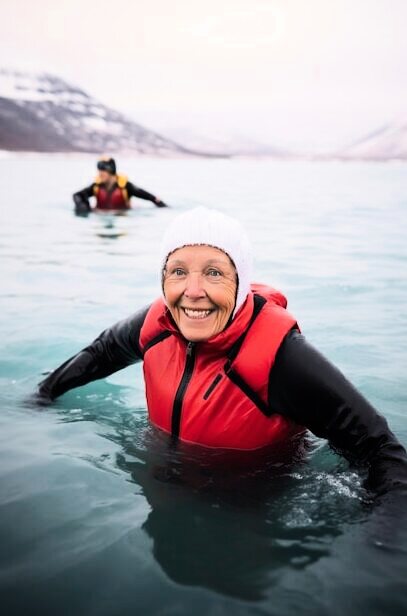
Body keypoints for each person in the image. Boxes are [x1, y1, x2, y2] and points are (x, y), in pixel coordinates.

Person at [36, 207, 407, 499]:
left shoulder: (279, 357)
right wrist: (41, 396)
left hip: (256, 504)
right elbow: (100, 353)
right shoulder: (156, 325)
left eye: (214, 273)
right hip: (165, 486)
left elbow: (378, 448)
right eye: (178, 271)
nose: (192, 291)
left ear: (241, 282)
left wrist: (382, 543)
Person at [73, 157, 168, 215]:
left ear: (111, 171)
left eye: (103, 171)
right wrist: (83, 206)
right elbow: (77, 195)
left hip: (121, 218)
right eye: (99, 171)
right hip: (100, 216)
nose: (100, 174)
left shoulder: (126, 186)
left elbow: (150, 197)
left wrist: (164, 207)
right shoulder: (96, 186)